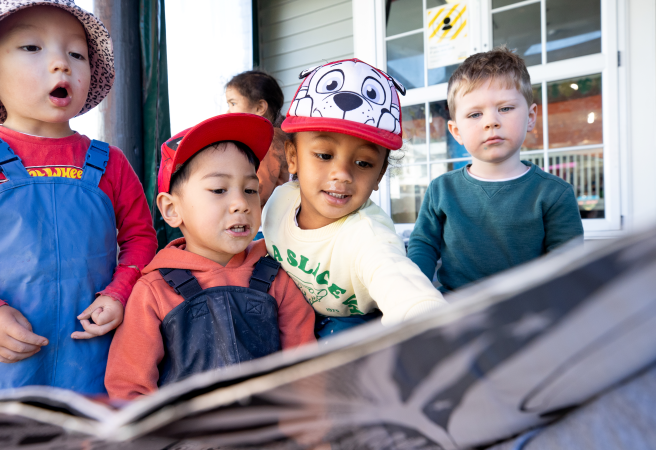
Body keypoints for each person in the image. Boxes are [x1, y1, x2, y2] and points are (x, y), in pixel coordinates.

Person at [0, 1, 157, 394]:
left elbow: (140, 239)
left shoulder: (109, 162)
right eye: (32, 47)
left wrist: (120, 292)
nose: (62, 64)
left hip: (93, 363)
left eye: (76, 53)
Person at [105, 114, 316, 400]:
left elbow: (307, 372)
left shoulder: (276, 275)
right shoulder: (154, 291)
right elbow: (129, 389)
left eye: (251, 190)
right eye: (219, 190)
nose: (241, 204)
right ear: (171, 210)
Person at [261, 58, 446, 339]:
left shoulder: (367, 236)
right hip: (287, 307)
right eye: (324, 155)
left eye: (363, 163)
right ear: (292, 157)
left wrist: (431, 327)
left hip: (345, 323)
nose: (343, 174)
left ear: (380, 174)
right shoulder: (279, 202)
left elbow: (400, 282)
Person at [407, 47, 584, 293]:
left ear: (531, 116)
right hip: (453, 310)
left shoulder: (555, 194)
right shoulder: (442, 189)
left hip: (527, 311)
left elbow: (566, 267)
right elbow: (423, 244)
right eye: (475, 114)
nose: (491, 121)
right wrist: (413, 294)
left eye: (505, 108)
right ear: (456, 131)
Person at [226, 70, 290, 207]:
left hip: (266, 222)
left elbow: (259, 191)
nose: (228, 111)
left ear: (260, 107)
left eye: (233, 103)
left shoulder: (269, 142)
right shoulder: (276, 136)